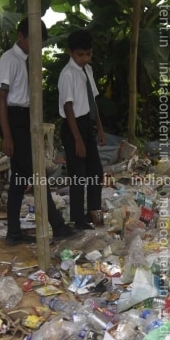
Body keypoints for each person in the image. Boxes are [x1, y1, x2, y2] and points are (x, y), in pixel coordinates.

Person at [0, 18, 76, 244]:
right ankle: (57, 226)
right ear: (21, 35)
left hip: (23, 117)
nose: (37, 45)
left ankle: (13, 232)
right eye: (33, 39)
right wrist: (7, 135)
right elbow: (2, 97)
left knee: (20, 179)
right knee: (37, 174)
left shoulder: (25, 60)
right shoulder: (9, 59)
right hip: (15, 121)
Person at [58, 29, 105, 231]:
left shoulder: (88, 70)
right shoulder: (67, 74)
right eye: (80, 55)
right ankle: (78, 219)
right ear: (70, 52)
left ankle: (93, 212)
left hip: (87, 124)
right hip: (73, 126)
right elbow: (68, 107)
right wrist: (77, 139)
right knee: (78, 175)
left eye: (88, 54)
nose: (84, 58)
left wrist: (99, 128)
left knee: (96, 171)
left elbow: (92, 100)